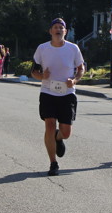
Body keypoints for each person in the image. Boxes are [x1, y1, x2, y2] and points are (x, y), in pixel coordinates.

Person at [32, 18, 85, 176]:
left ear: (65, 31)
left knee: (66, 132)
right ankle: (53, 163)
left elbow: (81, 68)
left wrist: (74, 80)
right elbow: (33, 71)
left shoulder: (73, 48)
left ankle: (58, 136)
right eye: (55, 27)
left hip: (67, 93)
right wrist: (42, 76)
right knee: (49, 124)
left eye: (61, 28)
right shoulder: (42, 48)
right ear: (50, 31)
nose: (58, 30)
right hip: (48, 92)